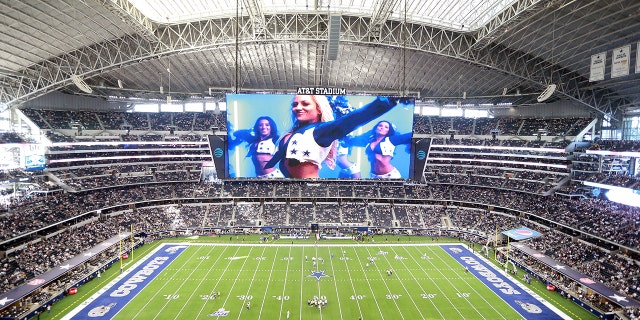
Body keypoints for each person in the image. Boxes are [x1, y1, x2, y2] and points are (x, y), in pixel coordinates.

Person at [266, 95, 404, 178]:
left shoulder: (321, 131)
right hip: (288, 191)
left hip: (308, 193)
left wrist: (389, 100)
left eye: (305, 103)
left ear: (319, 108)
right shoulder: (290, 134)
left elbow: (354, 119)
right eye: (295, 104)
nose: (298, 107)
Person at [346, 120, 411, 179]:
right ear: (376, 128)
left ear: (388, 131)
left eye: (386, 127)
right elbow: (355, 141)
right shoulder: (369, 141)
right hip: (374, 176)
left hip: (390, 176)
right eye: (380, 125)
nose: (382, 127)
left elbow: (409, 136)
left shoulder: (391, 140)